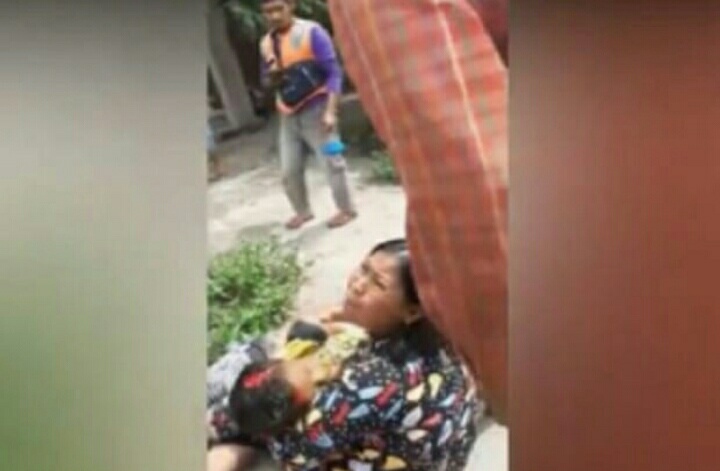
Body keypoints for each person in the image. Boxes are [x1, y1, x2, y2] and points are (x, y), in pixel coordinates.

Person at [208, 239, 480, 471]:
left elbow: (295, 452)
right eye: (363, 268)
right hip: (440, 454)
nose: (357, 284)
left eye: (377, 284)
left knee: (259, 415)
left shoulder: (369, 380)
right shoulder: (440, 334)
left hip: (394, 458)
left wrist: (251, 423)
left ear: (412, 311)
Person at [259, 0, 357, 230]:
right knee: (289, 170)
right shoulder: (266, 43)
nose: (274, 16)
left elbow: (333, 73)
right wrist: (271, 78)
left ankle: (346, 209)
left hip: (318, 109)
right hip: (288, 113)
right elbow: (265, 81)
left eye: (279, 9)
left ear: (291, 6)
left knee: (332, 163)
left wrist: (331, 111)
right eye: (268, 12)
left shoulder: (312, 32)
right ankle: (303, 212)